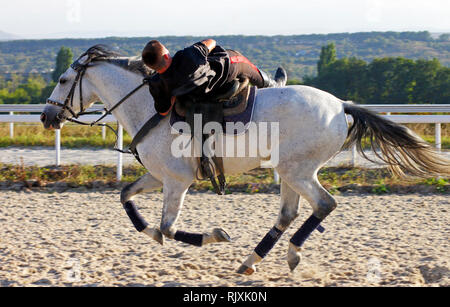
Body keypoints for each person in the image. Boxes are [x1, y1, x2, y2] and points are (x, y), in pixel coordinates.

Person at [141, 39, 287, 116]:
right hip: (225, 73)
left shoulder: (156, 84)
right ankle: (274, 85)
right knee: (241, 60)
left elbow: (163, 111)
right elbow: (211, 42)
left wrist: (172, 92)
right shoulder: (187, 56)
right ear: (166, 55)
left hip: (198, 95)